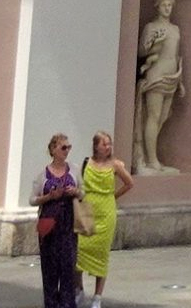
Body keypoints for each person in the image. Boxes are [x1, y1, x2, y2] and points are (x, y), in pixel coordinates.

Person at [79, 131, 134, 308]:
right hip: (87, 209)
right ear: (96, 146)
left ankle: (97, 297)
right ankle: (79, 290)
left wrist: (112, 196)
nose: (108, 147)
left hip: (106, 212)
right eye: (105, 144)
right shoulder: (87, 162)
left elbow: (129, 183)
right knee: (79, 251)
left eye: (109, 144)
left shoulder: (115, 165)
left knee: (101, 254)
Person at [32, 134, 82, 308]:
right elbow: (32, 199)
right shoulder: (43, 174)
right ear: (53, 150)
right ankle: (51, 304)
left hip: (68, 225)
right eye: (63, 147)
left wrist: (75, 192)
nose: (66, 151)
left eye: (69, 147)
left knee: (68, 268)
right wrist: (49, 196)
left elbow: (83, 193)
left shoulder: (74, 170)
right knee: (50, 269)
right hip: (48, 224)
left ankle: (68, 304)